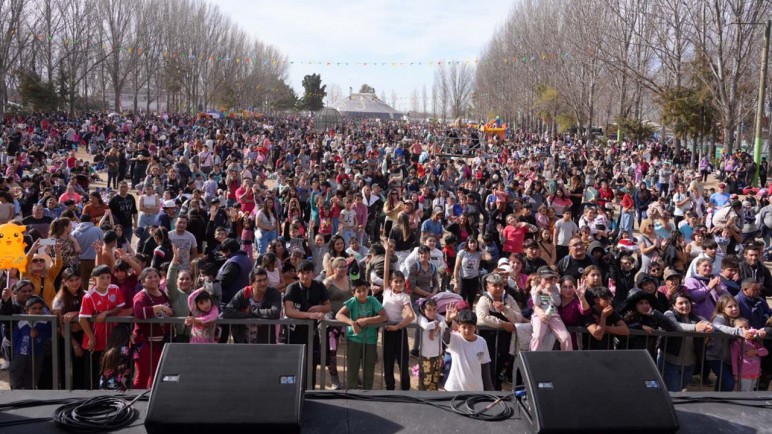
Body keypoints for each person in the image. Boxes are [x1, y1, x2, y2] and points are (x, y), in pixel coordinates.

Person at [283, 260, 331, 389]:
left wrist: (317, 308)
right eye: (302, 273)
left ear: (313, 273)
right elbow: (289, 311)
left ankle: (310, 392)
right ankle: (291, 392)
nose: (305, 276)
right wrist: (309, 315)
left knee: (311, 364)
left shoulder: (319, 285)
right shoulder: (292, 288)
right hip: (294, 333)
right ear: (297, 274)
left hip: (312, 333)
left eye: (308, 272)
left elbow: (328, 306)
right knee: (293, 365)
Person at [79, 265, 126, 389]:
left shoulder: (115, 289)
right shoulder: (88, 296)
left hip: (111, 340)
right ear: (94, 279)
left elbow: (120, 307)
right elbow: (82, 319)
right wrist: (91, 338)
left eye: (108, 277)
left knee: (110, 372)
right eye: (102, 278)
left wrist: (107, 312)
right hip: (95, 341)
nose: (106, 280)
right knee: (93, 373)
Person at [335, 279, 387, 390]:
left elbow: (384, 316)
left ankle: (367, 393)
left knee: (369, 371)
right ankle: (352, 394)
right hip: (354, 340)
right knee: (352, 369)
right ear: (353, 293)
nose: (362, 293)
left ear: (368, 289)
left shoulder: (372, 300)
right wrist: (352, 323)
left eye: (364, 290)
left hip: (371, 340)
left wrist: (366, 320)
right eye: (358, 291)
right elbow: (338, 315)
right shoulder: (353, 301)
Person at [378, 241, 415, 391]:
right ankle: (390, 388)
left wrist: (397, 327)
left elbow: (411, 316)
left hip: (399, 331)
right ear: (391, 283)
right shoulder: (386, 291)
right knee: (387, 362)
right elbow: (386, 270)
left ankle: (406, 390)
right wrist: (387, 252)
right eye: (396, 282)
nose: (399, 284)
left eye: (401, 282)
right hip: (387, 330)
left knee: (402, 362)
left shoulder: (404, 297)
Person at [475, 272, 522, 390]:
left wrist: (504, 309)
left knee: (502, 365)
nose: (498, 288)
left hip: (506, 340)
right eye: (495, 285)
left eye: (500, 285)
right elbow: (482, 317)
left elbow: (518, 317)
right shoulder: (484, 299)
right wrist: (502, 323)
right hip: (488, 340)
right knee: (489, 367)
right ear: (488, 287)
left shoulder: (509, 299)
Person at [132, 267, 172, 389]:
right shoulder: (141, 296)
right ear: (143, 281)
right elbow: (138, 313)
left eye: (156, 276)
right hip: (144, 342)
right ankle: (136, 401)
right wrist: (158, 307)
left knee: (156, 374)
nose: (154, 279)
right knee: (143, 374)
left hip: (160, 342)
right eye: (149, 277)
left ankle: (151, 400)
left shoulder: (162, 293)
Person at [707, 295, 754, 392]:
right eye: (730, 306)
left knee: (723, 382)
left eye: (735, 305)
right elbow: (717, 326)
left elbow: (750, 329)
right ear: (722, 309)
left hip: (731, 359)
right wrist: (739, 331)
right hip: (716, 357)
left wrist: (758, 332)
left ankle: (717, 403)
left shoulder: (738, 318)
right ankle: (722, 404)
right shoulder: (720, 317)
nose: (734, 308)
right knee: (729, 382)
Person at [223, 268, 283, 343]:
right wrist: (248, 315)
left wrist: (252, 310)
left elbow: (275, 313)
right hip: (243, 342)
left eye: (265, 280)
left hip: (265, 342)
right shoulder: (244, 293)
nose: (263, 283)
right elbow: (227, 311)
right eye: (259, 281)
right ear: (252, 283)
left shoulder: (274, 294)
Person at [442, 305, 493, 392]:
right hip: (454, 389)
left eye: (470, 327)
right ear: (458, 327)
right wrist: (448, 321)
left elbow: (485, 368)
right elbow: (445, 337)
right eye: (464, 327)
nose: (467, 330)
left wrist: (490, 390)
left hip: (476, 390)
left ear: (475, 327)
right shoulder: (455, 339)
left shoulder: (482, 342)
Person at [9, 296, 51, 390]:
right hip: (20, 353)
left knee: (32, 378)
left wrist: (38, 334)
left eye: (40, 308)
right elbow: (15, 339)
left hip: (36, 354)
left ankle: (29, 396)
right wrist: (14, 353)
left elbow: (48, 334)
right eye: (34, 308)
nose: (37, 311)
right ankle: (16, 394)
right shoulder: (21, 322)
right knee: (15, 374)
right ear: (27, 310)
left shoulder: (45, 322)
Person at [530, 267, 573, 352]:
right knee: (537, 336)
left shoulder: (555, 288)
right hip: (539, 316)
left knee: (566, 337)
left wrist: (550, 292)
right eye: (546, 279)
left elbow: (558, 303)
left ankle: (568, 360)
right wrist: (538, 293)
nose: (548, 281)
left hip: (553, 315)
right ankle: (533, 358)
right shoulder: (535, 288)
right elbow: (536, 303)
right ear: (539, 278)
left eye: (550, 278)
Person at [581, 286, 629, 350]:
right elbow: (598, 335)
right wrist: (603, 316)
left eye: (610, 299)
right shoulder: (589, 312)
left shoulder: (611, 311)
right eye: (606, 299)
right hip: (590, 352)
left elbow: (625, 330)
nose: (609, 302)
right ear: (596, 300)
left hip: (607, 352)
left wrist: (603, 326)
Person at [415, 298, 447, 391]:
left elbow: (444, 323)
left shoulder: (438, 316)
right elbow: (426, 326)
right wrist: (437, 324)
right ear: (423, 310)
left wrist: (434, 331)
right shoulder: (422, 318)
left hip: (438, 354)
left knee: (435, 379)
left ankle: (434, 396)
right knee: (426, 380)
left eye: (434, 309)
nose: (432, 312)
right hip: (426, 355)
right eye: (429, 310)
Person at [730, 317, 768, 392]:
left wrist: (755, 352)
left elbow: (765, 351)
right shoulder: (736, 343)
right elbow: (734, 360)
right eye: (740, 327)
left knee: (751, 391)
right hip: (744, 373)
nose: (744, 329)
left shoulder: (753, 341)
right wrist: (736, 374)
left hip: (755, 373)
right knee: (744, 392)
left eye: (746, 327)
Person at [97, 327, 134, 391]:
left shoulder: (108, 348)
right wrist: (133, 342)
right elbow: (135, 355)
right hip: (116, 384)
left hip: (104, 382)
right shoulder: (124, 349)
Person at [453, 237, 486, 306]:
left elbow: (488, 258)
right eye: (471, 243)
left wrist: (481, 248)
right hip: (463, 279)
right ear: (467, 243)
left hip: (474, 280)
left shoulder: (479, 253)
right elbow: (456, 267)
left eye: (474, 243)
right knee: (461, 301)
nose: (473, 245)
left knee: (470, 301)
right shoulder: (462, 252)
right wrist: (455, 282)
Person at [72, 214, 103, 282]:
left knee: (83, 284)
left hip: (81, 261)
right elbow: (102, 244)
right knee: (98, 282)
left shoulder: (74, 232)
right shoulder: (98, 230)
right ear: (90, 220)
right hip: (96, 260)